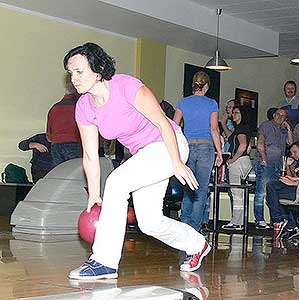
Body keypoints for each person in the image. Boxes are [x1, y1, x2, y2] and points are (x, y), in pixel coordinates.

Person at [64, 42, 210, 280]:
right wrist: (93, 195)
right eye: (71, 74)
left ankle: (104, 261)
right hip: (145, 155)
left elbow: (164, 123)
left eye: (79, 72)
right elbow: (90, 155)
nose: (74, 79)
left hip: (169, 144)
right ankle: (196, 244)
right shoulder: (83, 107)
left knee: (117, 182)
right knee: (149, 222)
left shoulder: (126, 86)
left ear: (98, 69)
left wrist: (176, 162)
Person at [174, 71, 223, 232]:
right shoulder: (211, 104)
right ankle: (194, 226)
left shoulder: (183, 102)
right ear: (207, 86)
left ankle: (184, 222)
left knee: (189, 186)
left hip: (187, 147)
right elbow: (214, 129)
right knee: (201, 188)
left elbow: (174, 126)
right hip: (206, 147)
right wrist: (220, 153)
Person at [254, 108, 293, 229]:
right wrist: (264, 159)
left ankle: (275, 220)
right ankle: (259, 220)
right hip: (267, 164)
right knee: (261, 192)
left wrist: (289, 129)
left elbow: (290, 143)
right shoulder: (266, 125)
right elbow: (260, 143)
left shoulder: (283, 130)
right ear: (274, 115)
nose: (280, 117)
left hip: (278, 166)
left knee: (274, 194)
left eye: (283, 116)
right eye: (278, 114)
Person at [221, 106, 252, 230]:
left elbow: (243, 145)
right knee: (240, 193)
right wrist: (223, 123)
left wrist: (233, 159)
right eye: (233, 112)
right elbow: (248, 146)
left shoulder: (240, 128)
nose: (233, 114)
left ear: (242, 114)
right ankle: (240, 222)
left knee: (236, 193)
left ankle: (236, 222)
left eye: (236, 112)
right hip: (245, 161)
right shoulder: (243, 128)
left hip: (238, 162)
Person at [266, 141, 299, 240]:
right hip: (298, 189)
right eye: (292, 153)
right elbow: (294, 177)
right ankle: (289, 226)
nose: (293, 155)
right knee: (272, 192)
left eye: (295, 152)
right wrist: (287, 167)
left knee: (272, 190)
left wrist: (293, 182)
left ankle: (282, 222)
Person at [46, 76, 82, 166]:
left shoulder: (54, 108)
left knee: (60, 174)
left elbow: (49, 136)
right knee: (76, 174)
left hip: (56, 146)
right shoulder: (79, 107)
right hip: (73, 144)